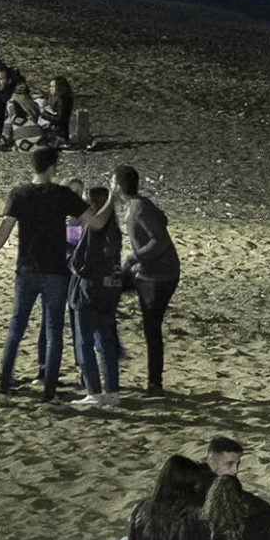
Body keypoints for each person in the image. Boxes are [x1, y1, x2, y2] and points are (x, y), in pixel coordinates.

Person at [0, 146, 89, 399]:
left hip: (26, 270)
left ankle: (4, 384)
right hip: (55, 272)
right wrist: (111, 200)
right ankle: (49, 391)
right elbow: (94, 221)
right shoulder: (62, 194)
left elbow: (2, 234)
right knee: (54, 333)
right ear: (54, 167)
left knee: (16, 328)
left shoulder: (19, 194)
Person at [116, 165, 182, 395]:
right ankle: (115, 346)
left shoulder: (140, 208)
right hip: (147, 271)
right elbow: (162, 219)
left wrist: (135, 256)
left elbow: (159, 240)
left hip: (160, 276)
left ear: (117, 185)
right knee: (110, 289)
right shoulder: (137, 205)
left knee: (151, 328)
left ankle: (155, 383)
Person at [68, 183, 124, 410]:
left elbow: (79, 260)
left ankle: (93, 390)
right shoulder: (114, 229)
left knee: (85, 342)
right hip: (109, 292)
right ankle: (112, 390)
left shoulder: (91, 229)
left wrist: (73, 265)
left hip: (89, 291)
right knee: (106, 342)